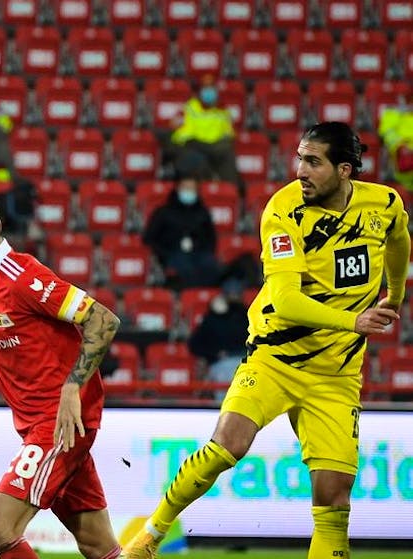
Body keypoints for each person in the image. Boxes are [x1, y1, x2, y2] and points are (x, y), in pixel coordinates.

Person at [123, 122, 411, 559]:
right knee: (227, 446)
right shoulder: (283, 211)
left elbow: (399, 237)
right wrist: (354, 321)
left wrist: (396, 291)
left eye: (313, 162)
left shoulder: (383, 203)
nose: (300, 171)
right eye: (299, 158)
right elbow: (286, 300)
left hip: (336, 376)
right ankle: (151, 535)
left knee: (334, 502)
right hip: (274, 357)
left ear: (345, 169)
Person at [0, 191, 125, 559]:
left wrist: (72, 388)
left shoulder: (23, 277)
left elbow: (103, 319)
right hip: (42, 423)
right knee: (99, 546)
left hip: (60, 423)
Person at [142, 175, 221, 289]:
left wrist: (205, 250)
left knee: (209, 265)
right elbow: (149, 238)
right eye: (185, 188)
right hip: (172, 254)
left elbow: (211, 237)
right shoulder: (163, 212)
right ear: (177, 189)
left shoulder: (203, 213)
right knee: (185, 268)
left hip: (198, 253)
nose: (188, 191)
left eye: (192, 188)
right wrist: (163, 254)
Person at [167, 75, 239, 186]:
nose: (209, 92)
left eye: (211, 88)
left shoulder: (222, 110)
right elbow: (173, 124)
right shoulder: (190, 107)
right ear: (199, 91)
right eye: (206, 88)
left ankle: (230, 191)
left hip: (216, 147)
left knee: (227, 156)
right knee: (196, 160)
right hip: (193, 145)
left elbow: (230, 134)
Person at [187, 288, 250, 401]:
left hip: (245, 361)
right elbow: (194, 345)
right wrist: (214, 354)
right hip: (221, 363)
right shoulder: (212, 319)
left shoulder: (244, 315)